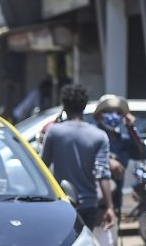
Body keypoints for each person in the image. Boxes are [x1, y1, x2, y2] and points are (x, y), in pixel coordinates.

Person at [40, 83, 117, 232]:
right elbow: (103, 174)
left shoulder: (54, 133)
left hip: (62, 203)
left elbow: (43, 167)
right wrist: (110, 207)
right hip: (89, 205)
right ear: (85, 105)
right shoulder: (99, 136)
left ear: (64, 106)